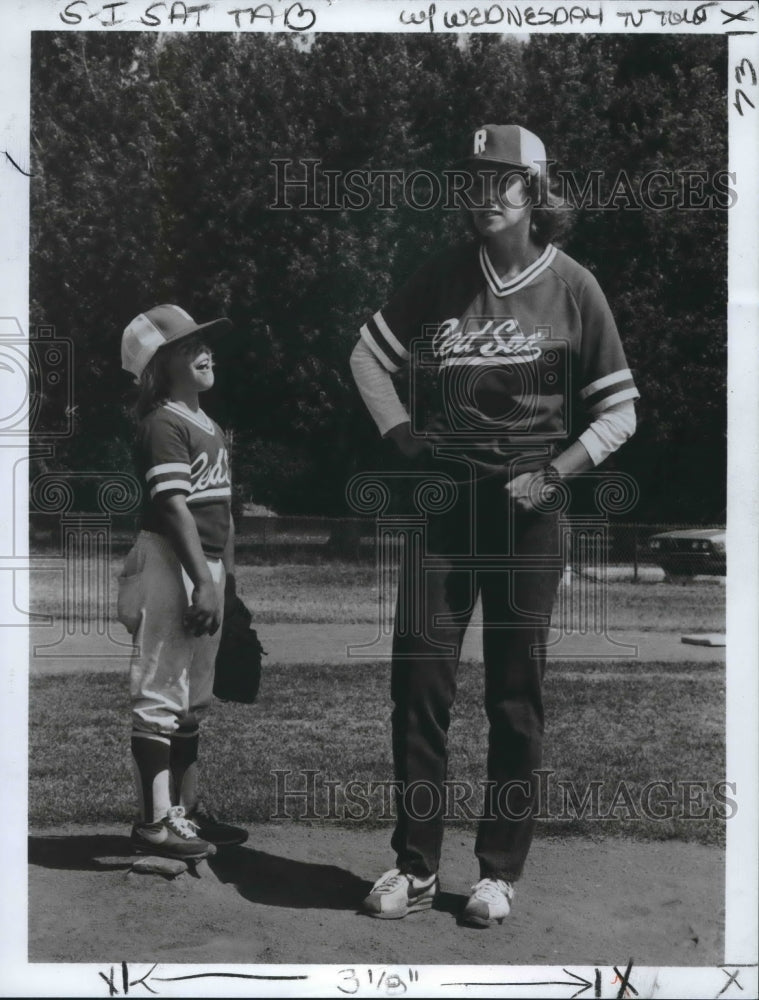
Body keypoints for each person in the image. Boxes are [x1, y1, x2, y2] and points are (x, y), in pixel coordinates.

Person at [350, 125, 639, 926]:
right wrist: (406, 440)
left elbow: (619, 412)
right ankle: (411, 866)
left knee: (515, 694)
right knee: (418, 683)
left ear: (535, 192)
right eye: (471, 179)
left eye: (499, 180)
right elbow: (367, 358)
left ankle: (495, 873)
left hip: (529, 516)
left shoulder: (574, 287)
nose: (481, 194)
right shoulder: (440, 278)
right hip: (444, 510)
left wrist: (554, 472)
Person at [118, 303, 248, 860]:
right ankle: (153, 825)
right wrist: (203, 579)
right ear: (158, 364)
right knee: (160, 693)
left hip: (203, 566)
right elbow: (173, 506)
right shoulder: (163, 423)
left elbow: (222, 508)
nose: (205, 351)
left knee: (193, 698)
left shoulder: (209, 425)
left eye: (204, 343)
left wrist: (227, 584)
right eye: (189, 346)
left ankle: (185, 814)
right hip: (171, 561)